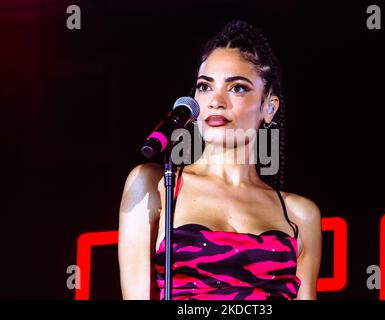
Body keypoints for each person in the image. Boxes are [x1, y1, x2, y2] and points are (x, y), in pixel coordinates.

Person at [118, 20, 322, 300]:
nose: (216, 101)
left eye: (237, 88)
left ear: (269, 106)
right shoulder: (155, 184)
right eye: (204, 86)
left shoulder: (300, 214)